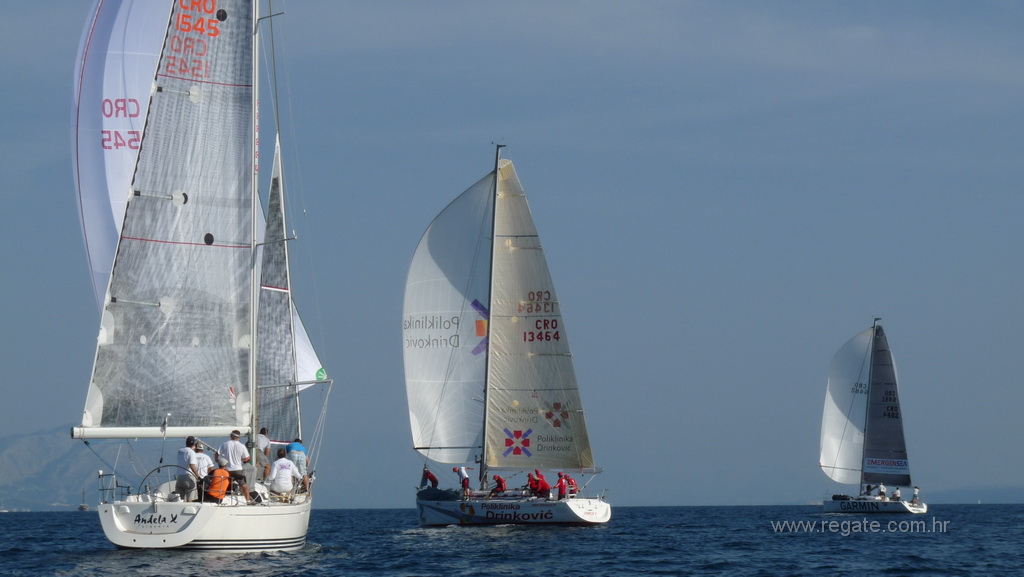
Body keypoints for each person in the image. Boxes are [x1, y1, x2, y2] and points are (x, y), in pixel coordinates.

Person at [217, 430, 253, 503]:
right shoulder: (242, 446)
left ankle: (220, 499)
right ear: (238, 437)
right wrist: (242, 459)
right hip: (238, 469)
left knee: (224, 484)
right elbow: (247, 458)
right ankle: (248, 500)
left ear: (232, 436)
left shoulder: (225, 444)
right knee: (244, 486)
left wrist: (218, 462)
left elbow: (217, 454)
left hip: (226, 469)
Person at [175, 436, 200, 502]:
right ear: (194, 444)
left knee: (180, 500)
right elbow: (191, 465)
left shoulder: (180, 451)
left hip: (179, 477)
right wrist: (198, 476)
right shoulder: (191, 452)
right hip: (188, 477)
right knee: (190, 499)